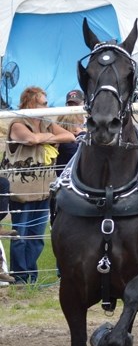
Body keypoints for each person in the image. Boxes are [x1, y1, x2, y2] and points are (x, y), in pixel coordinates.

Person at [6, 86, 75, 283]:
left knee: (36, 235)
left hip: (44, 190)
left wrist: (45, 138)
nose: (47, 106)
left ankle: (32, 277)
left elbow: (69, 136)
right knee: (20, 234)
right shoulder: (18, 123)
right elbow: (29, 139)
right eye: (43, 103)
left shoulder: (47, 124)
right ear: (30, 103)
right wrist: (48, 139)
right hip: (21, 191)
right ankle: (21, 277)